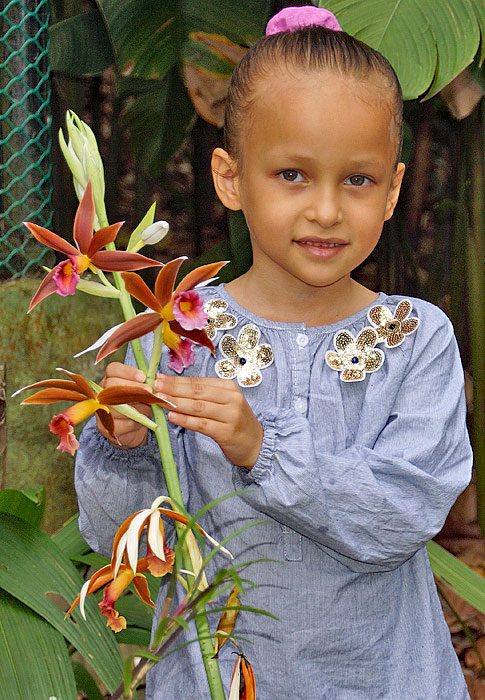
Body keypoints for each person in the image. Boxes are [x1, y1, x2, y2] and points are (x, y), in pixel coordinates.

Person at [75, 7, 473, 699]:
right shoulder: (172, 332)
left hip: (381, 679)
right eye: (292, 174)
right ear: (229, 177)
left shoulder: (418, 340)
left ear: (393, 191)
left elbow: (398, 518)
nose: (325, 209)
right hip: (213, 678)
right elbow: (127, 539)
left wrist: (264, 447)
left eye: (357, 180)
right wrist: (125, 446)